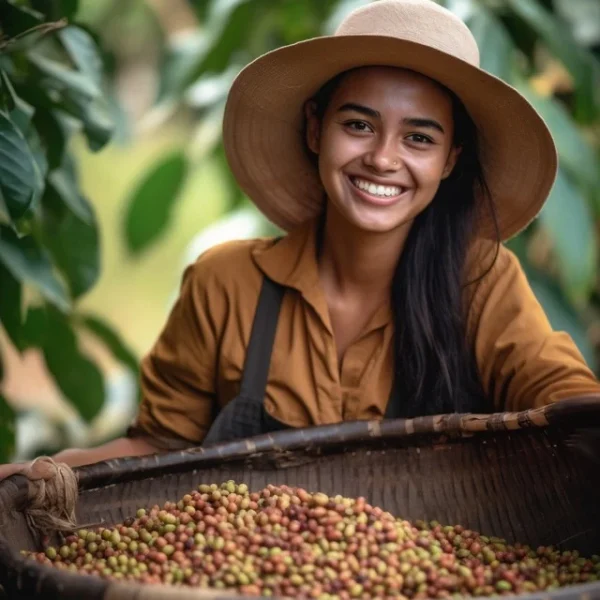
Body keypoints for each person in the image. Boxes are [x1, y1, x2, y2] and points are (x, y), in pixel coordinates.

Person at [2, 0, 599, 478]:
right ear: (316, 128)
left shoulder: (481, 282)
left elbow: (564, 395)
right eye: (359, 124)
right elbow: (156, 447)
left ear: (450, 160)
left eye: (419, 138)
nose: (383, 158)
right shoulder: (226, 283)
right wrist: (29, 476)